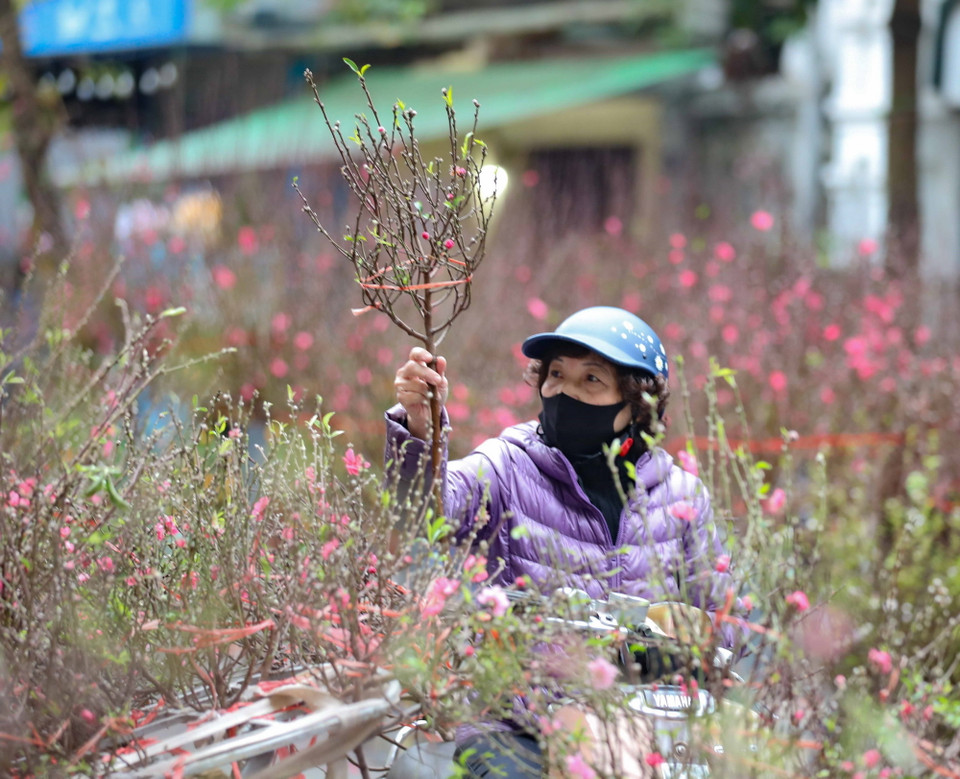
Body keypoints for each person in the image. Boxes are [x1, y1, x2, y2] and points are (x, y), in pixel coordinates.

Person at [385, 305, 740, 778]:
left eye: (591, 379)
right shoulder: (506, 466)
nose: (564, 392)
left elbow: (727, 625)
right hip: (515, 727)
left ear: (638, 404)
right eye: (555, 374)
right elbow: (426, 513)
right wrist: (419, 429)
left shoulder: (682, 497)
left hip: (646, 725)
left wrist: (682, 636)